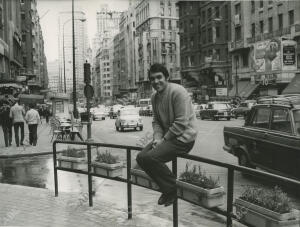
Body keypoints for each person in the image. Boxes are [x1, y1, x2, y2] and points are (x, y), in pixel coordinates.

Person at [136, 63, 198, 207]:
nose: (156, 81)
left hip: (184, 138)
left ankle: (171, 190)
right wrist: (157, 138)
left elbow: (181, 123)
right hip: (167, 138)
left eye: (159, 77)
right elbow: (156, 121)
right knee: (141, 158)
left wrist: (163, 139)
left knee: (151, 158)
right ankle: (168, 189)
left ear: (167, 77)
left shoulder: (178, 92)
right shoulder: (154, 97)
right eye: (152, 79)